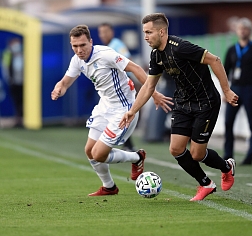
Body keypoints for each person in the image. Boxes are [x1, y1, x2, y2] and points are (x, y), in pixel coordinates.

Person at [119, 13, 239, 201]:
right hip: (183, 103)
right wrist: (133, 111)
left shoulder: (181, 47)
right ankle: (206, 183)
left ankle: (226, 167)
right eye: (144, 32)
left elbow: (215, 60)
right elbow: (150, 86)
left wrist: (227, 91)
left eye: (149, 32)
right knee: (175, 149)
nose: (145, 37)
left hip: (205, 103)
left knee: (197, 154)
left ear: (162, 31)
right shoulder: (155, 55)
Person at [51, 25, 172, 196]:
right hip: (104, 106)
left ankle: (137, 157)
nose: (79, 50)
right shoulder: (77, 60)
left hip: (124, 108)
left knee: (99, 154)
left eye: (83, 45)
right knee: (89, 151)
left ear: (91, 42)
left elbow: (136, 68)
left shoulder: (106, 55)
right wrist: (59, 89)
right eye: (75, 46)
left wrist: (154, 93)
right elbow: (65, 83)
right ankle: (109, 187)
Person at [223, 17, 252, 165]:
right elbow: (224, 72)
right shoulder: (231, 50)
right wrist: (225, 91)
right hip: (234, 90)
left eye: (245, 29)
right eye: (240, 29)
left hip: (250, 89)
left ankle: (250, 156)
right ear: (237, 31)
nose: (242, 31)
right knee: (228, 122)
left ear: (250, 31)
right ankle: (228, 154)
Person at [98, 22, 136, 151]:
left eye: (105, 32)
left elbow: (128, 60)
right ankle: (126, 144)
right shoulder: (105, 48)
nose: (103, 35)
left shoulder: (117, 45)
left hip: (123, 84)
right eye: (101, 32)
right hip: (111, 87)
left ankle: (127, 145)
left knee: (120, 113)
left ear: (111, 32)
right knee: (113, 114)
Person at [1, 37, 24, 127]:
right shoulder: (8, 54)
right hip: (14, 82)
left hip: (24, 82)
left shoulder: (24, 53)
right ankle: (18, 119)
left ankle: (24, 119)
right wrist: (9, 79)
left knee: (24, 101)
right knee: (17, 101)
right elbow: (5, 67)